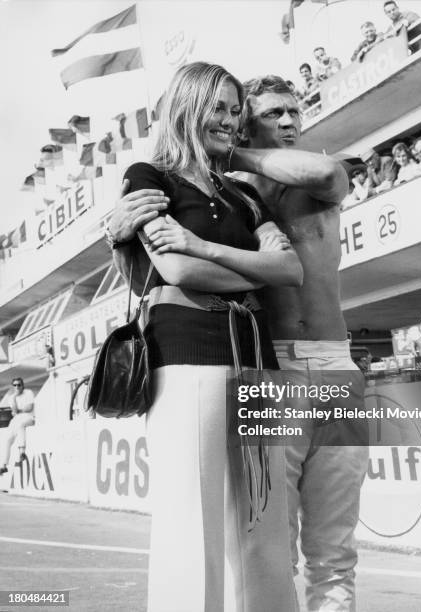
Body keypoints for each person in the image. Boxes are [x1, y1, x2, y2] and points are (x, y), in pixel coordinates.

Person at [110, 74, 369, 612]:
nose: (290, 122)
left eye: (294, 112)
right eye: (273, 113)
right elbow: (169, 272)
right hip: (269, 371)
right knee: (265, 541)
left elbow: (322, 177)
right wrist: (120, 233)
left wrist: (234, 154)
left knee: (335, 548)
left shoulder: (306, 184)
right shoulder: (236, 197)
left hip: (334, 367)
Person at [0, 378, 35, 475]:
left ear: (23, 385)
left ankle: (22, 452)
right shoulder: (11, 397)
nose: (17, 387)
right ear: (12, 387)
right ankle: (3, 465)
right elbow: (14, 411)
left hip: (28, 418)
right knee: (6, 439)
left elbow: (29, 408)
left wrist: (18, 411)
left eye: (19, 385)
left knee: (20, 425)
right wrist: (15, 398)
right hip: (16, 420)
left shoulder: (28, 393)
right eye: (15, 385)